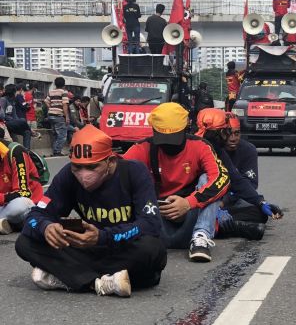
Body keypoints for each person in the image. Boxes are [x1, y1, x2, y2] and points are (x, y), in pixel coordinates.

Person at [15, 125, 167, 296]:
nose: (83, 174)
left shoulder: (135, 172)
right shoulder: (68, 176)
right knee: (24, 243)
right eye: (77, 167)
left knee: (152, 249)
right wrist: (46, 227)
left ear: (110, 162)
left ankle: (71, 276)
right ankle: (98, 283)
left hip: (122, 246)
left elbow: (150, 223)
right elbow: (35, 215)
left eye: (92, 167)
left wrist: (103, 237)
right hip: (87, 246)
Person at [123, 103, 231, 262]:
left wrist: (188, 203)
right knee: (129, 174)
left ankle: (201, 236)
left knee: (207, 179)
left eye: (172, 137)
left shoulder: (201, 146)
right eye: (163, 138)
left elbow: (222, 178)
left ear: (185, 129)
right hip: (156, 214)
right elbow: (115, 174)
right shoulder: (141, 148)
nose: (168, 144)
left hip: (192, 211)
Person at [196, 109, 283, 240]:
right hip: (196, 201)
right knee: (204, 179)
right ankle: (225, 227)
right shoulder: (195, 146)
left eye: (236, 133)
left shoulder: (227, 150)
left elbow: (238, 181)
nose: (231, 137)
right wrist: (213, 206)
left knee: (259, 214)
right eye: (226, 132)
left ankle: (217, 223)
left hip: (227, 200)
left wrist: (261, 202)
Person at [0, 134, 44, 234]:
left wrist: (3, 198)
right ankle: (14, 224)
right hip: (3, 205)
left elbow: (23, 193)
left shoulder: (16, 152)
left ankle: (23, 223)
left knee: (21, 206)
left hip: (23, 202)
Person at [0, 84, 34, 149]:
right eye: (15, 92)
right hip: (6, 123)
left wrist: (18, 122)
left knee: (27, 132)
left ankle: (27, 151)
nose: (17, 93)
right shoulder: (3, 100)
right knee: (23, 120)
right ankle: (32, 132)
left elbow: (15, 116)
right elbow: (3, 115)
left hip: (13, 123)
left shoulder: (13, 101)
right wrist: (13, 120)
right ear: (12, 92)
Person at [45, 77, 70, 157]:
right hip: (59, 116)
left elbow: (46, 101)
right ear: (64, 84)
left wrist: (51, 108)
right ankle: (57, 151)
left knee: (55, 134)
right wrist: (67, 117)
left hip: (51, 115)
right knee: (62, 135)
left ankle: (55, 150)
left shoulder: (51, 92)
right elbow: (65, 104)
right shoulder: (64, 92)